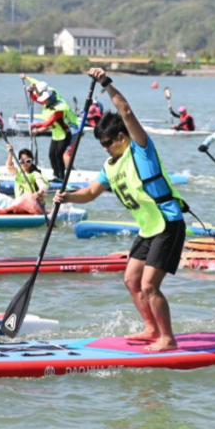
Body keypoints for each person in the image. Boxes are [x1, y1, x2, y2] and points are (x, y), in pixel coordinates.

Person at [54, 68, 187, 352]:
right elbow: (90, 193)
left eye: (107, 143)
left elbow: (125, 111)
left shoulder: (141, 149)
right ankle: (151, 328)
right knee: (130, 280)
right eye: (100, 144)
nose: (104, 148)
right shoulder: (109, 166)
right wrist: (66, 197)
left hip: (168, 222)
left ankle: (168, 339)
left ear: (122, 137)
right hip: (148, 228)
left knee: (149, 285)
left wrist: (105, 83)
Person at [21, 74, 79, 181]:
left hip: (65, 134)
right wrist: (30, 92)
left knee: (59, 155)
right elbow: (36, 99)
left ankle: (62, 177)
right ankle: (56, 175)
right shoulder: (48, 101)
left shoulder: (59, 109)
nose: (43, 101)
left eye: (45, 99)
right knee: (51, 155)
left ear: (50, 98)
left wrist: (35, 124)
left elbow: (49, 122)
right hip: (56, 135)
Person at [0, 144, 47, 215]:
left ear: (32, 161)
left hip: (32, 203)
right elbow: (9, 166)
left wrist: (39, 193)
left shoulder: (35, 174)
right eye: (22, 162)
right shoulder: (18, 172)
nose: (25, 164)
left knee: (27, 195)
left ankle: (4, 210)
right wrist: (10, 153)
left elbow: (43, 186)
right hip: (19, 203)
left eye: (28, 161)